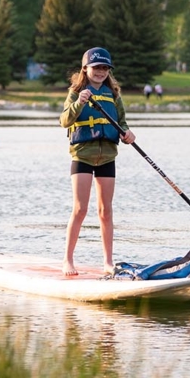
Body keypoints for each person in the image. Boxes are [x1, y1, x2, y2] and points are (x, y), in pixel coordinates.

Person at [59, 47, 135, 276]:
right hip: (82, 155)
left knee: (105, 211)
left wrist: (128, 133)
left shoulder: (113, 93)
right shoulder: (76, 91)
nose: (101, 72)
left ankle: (108, 262)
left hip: (107, 157)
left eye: (105, 68)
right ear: (85, 68)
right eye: (96, 67)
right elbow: (64, 121)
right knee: (80, 209)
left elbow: (121, 122)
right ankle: (67, 260)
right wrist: (79, 103)